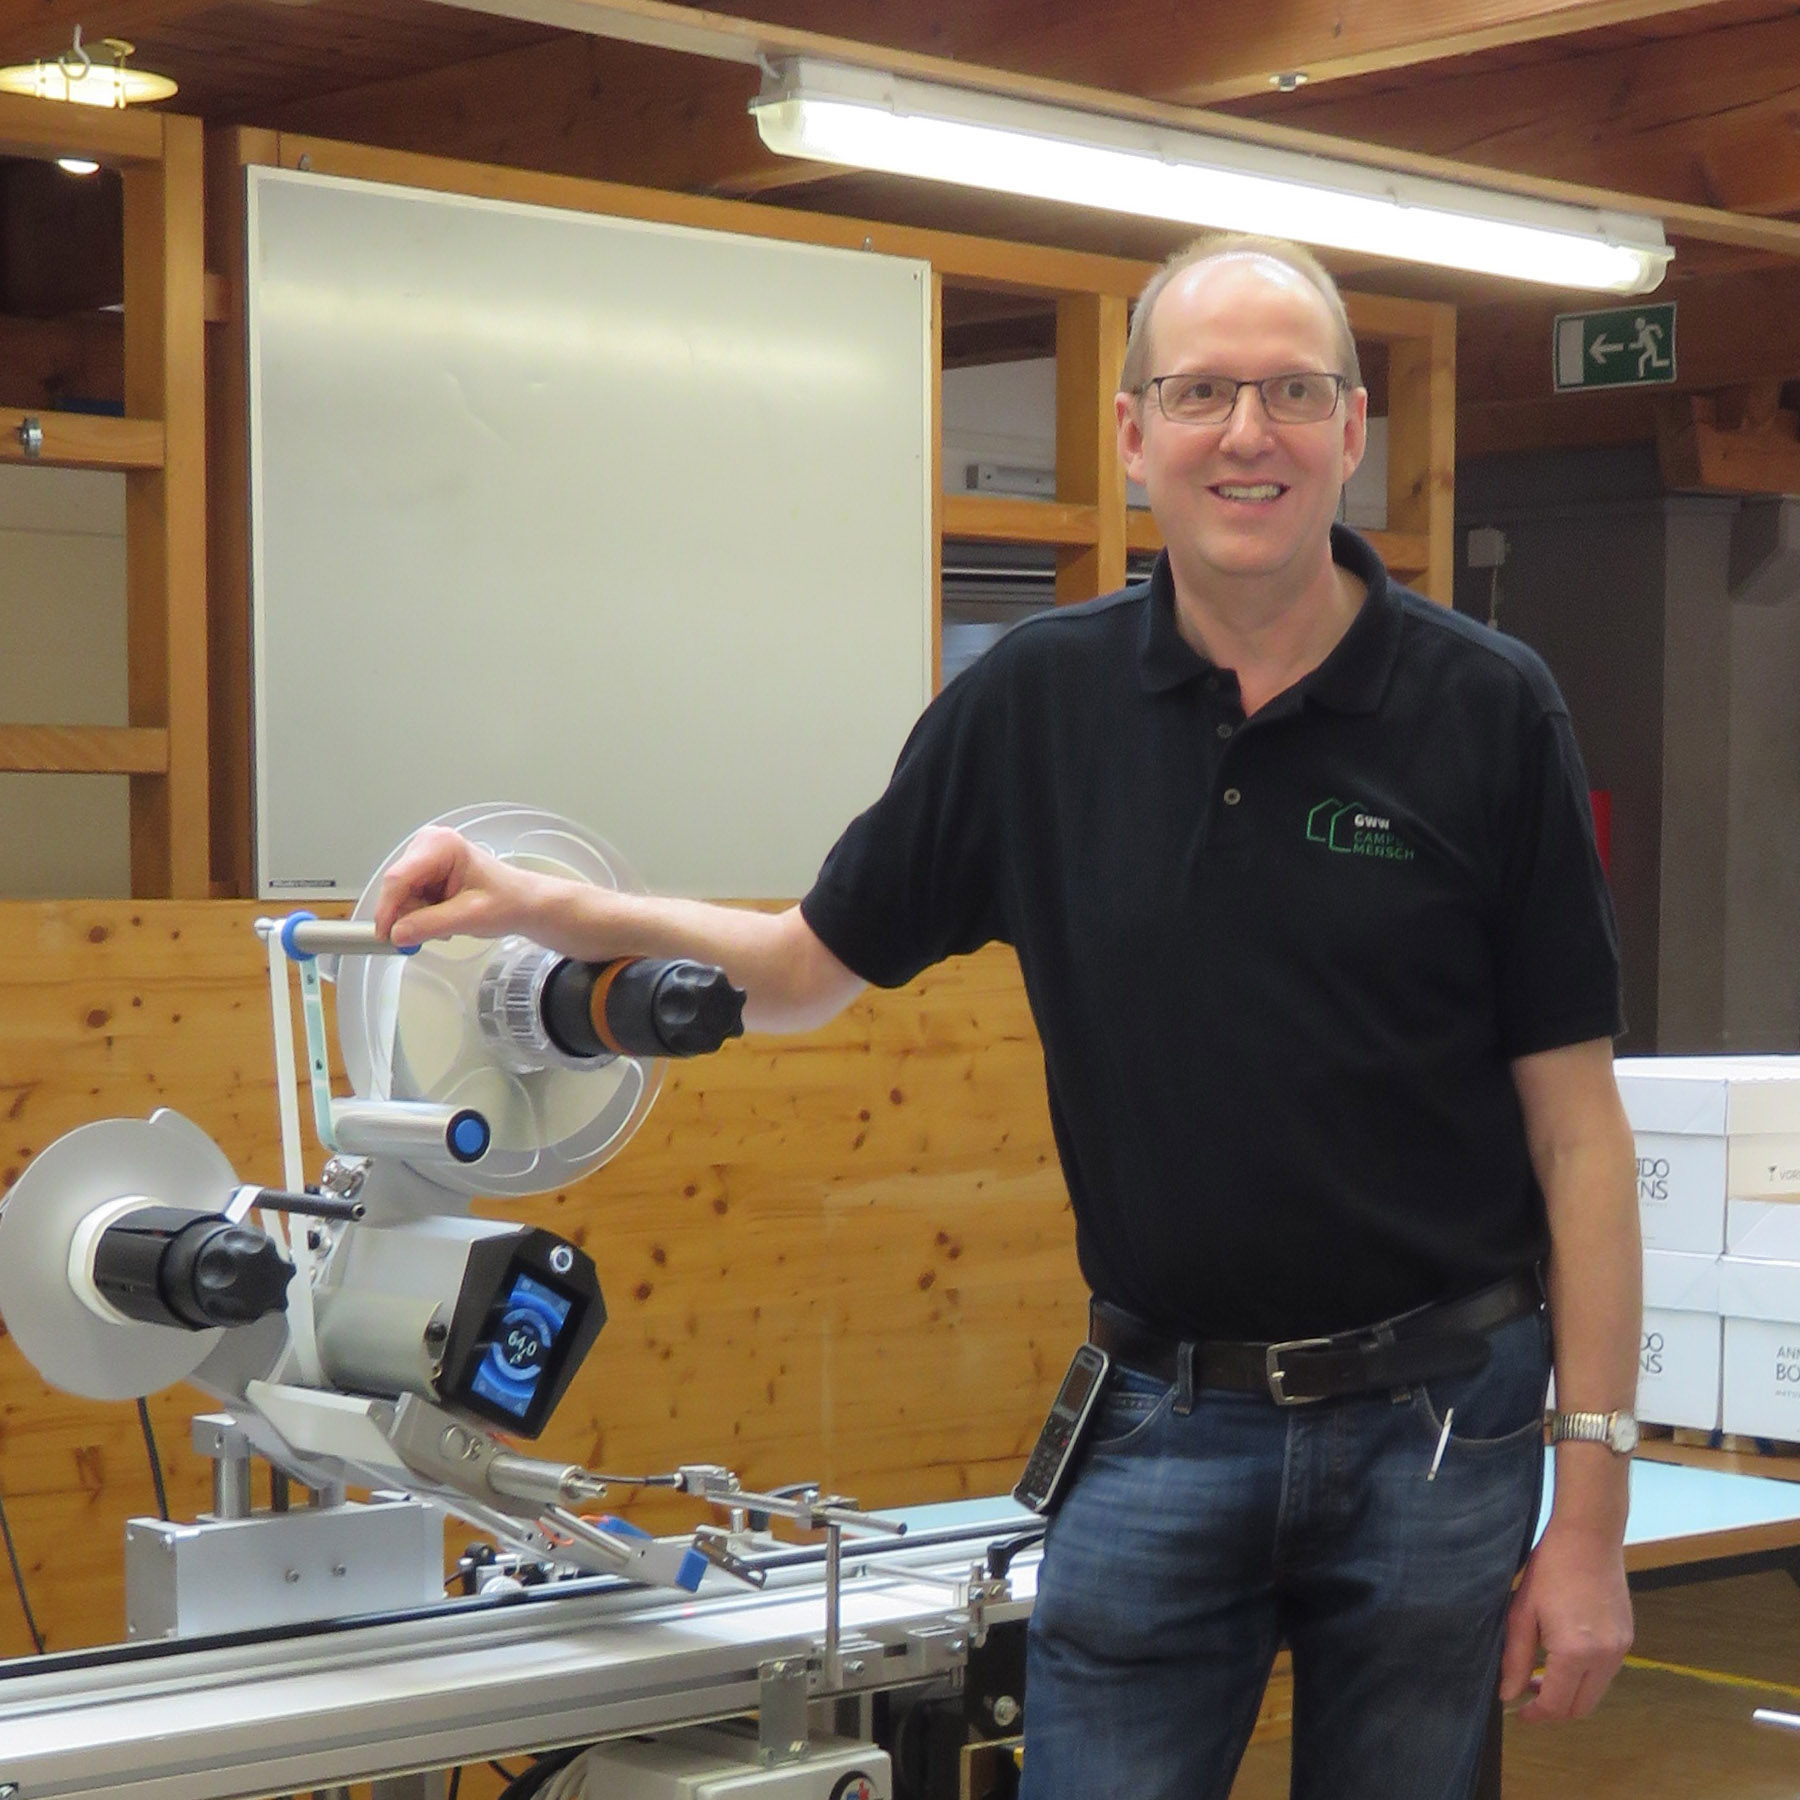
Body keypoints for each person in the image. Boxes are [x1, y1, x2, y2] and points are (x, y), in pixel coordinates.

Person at [376, 233, 1640, 1800]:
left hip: (1446, 1433)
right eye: (1199, 394)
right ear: (1131, 435)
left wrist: (1589, 1514)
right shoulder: (1034, 707)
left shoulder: (1489, 709)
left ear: (1352, 427)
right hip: (1165, 1423)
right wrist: (544, 903)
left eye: (1291, 392)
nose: (1247, 433)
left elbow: (1579, 1134)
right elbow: (798, 970)